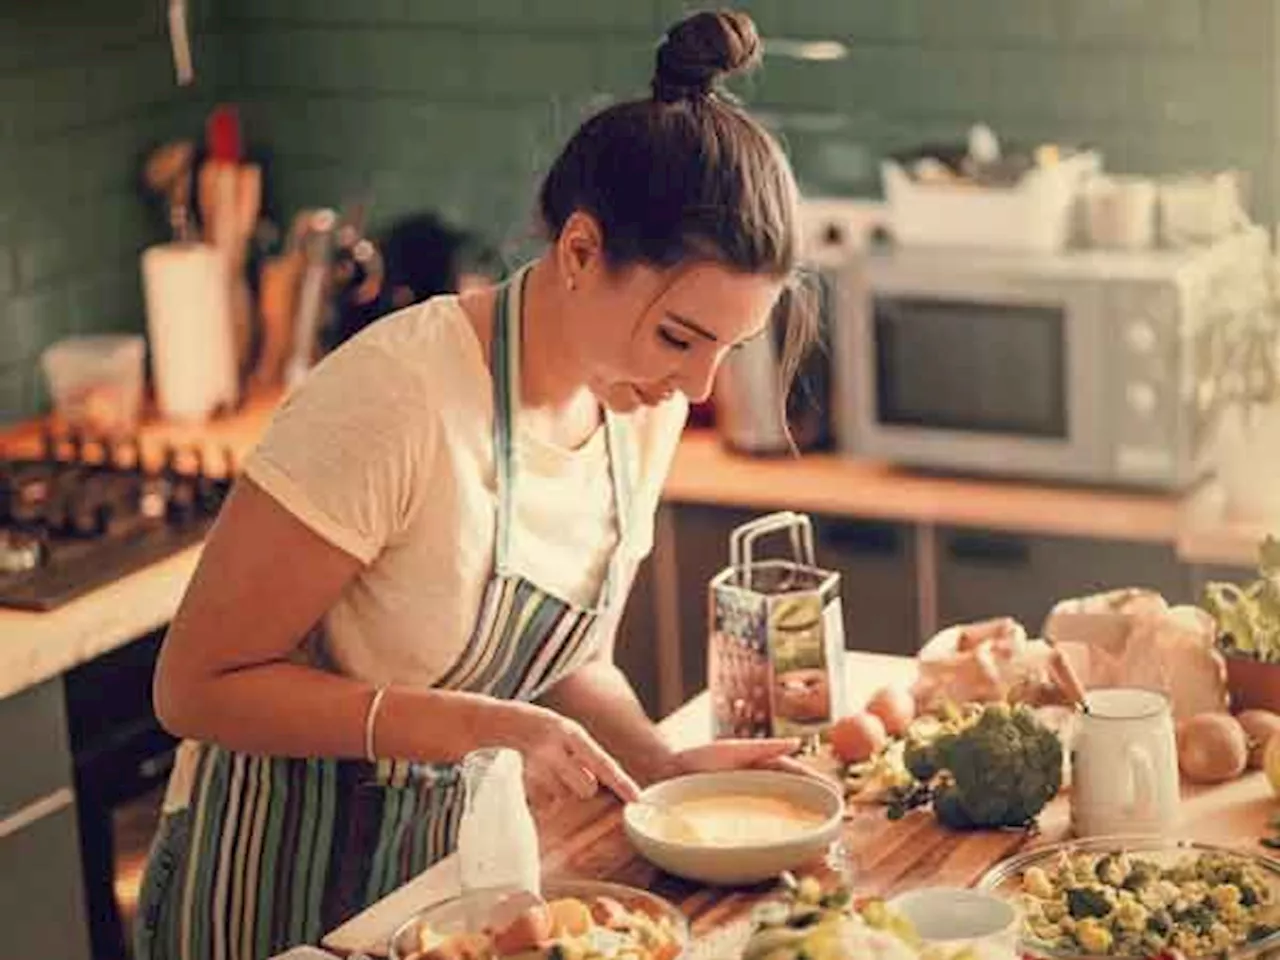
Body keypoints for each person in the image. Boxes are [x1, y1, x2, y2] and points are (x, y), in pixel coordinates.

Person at [135, 9, 818, 959]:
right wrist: (473, 726)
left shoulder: (637, 406)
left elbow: (566, 663)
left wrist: (656, 765)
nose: (697, 387)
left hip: (446, 892)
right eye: (679, 337)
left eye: (730, 350)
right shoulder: (397, 398)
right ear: (580, 251)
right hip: (274, 891)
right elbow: (196, 686)